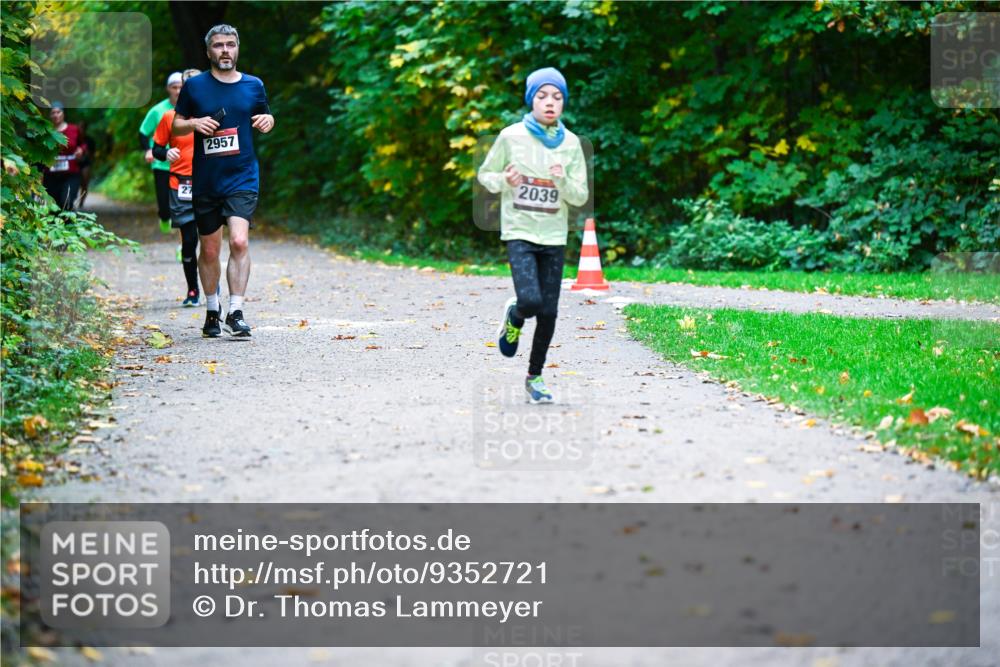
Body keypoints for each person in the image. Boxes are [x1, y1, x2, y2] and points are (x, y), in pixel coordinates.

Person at [477, 67, 589, 404]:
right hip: (521, 231)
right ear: (531, 101)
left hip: (554, 236)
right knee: (529, 301)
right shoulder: (511, 136)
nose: (550, 102)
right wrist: (505, 181)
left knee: (550, 312)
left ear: (563, 103)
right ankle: (515, 316)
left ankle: (534, 377)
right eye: (542, 96)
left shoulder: (570, 144)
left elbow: (580, 195)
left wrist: (562, 181)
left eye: (557, 97)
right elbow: (486, 175)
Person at [172, 24, 274, 338]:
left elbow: (265, 115)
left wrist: (268, 121)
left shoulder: (253, 85)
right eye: (218, 45)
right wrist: (193, 123)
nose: (225, 50)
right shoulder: (196, 87)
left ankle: (237, 312)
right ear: (209, 51)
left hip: (242, 176)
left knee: (240, 241)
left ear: (238, 48)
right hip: (207, 179)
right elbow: (176, 126)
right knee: (211, 250)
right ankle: (213, 309)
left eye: (230, 44)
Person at [153, 69, 203, 307]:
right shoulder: (169, 118)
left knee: (211, 241)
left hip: (209, 183)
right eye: (187, 85)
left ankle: (211, 284)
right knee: (189, 241)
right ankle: (193, 289)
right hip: (180, 184)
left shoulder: (213, 114)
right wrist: (166, 153)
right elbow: (156, 149)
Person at [140, 72, 183, 235]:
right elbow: (143, 132)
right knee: (165, 206)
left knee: (183, 206)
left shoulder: (193, 109)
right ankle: (164, 217)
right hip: (162, 163)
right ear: (168, 89)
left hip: (185, 165)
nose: (178, 91)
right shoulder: (158, 111)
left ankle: (184, 246)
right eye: (174, 87)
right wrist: (148, 150)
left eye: (181, 87)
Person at [42, 102, 84, 211]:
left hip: (71, 174)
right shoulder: (46, 132)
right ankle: (55, 228)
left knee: (67, 202)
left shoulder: (74, 129)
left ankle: (69, 226)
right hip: (50, 175)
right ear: (50, 116)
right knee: (53, 207)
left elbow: (83, 144)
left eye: (58, 112)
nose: (56, 115)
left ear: (63, 113)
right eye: (53, 113)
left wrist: (81, 150)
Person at [75, 120, 95, 209]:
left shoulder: (90, 141)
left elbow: (92, 155)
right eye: (79, 127)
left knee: (84, 183)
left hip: (85, 163)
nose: (81, 129)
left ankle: (81, 202)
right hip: (74, 163)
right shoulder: (74, 139)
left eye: (82, 127)